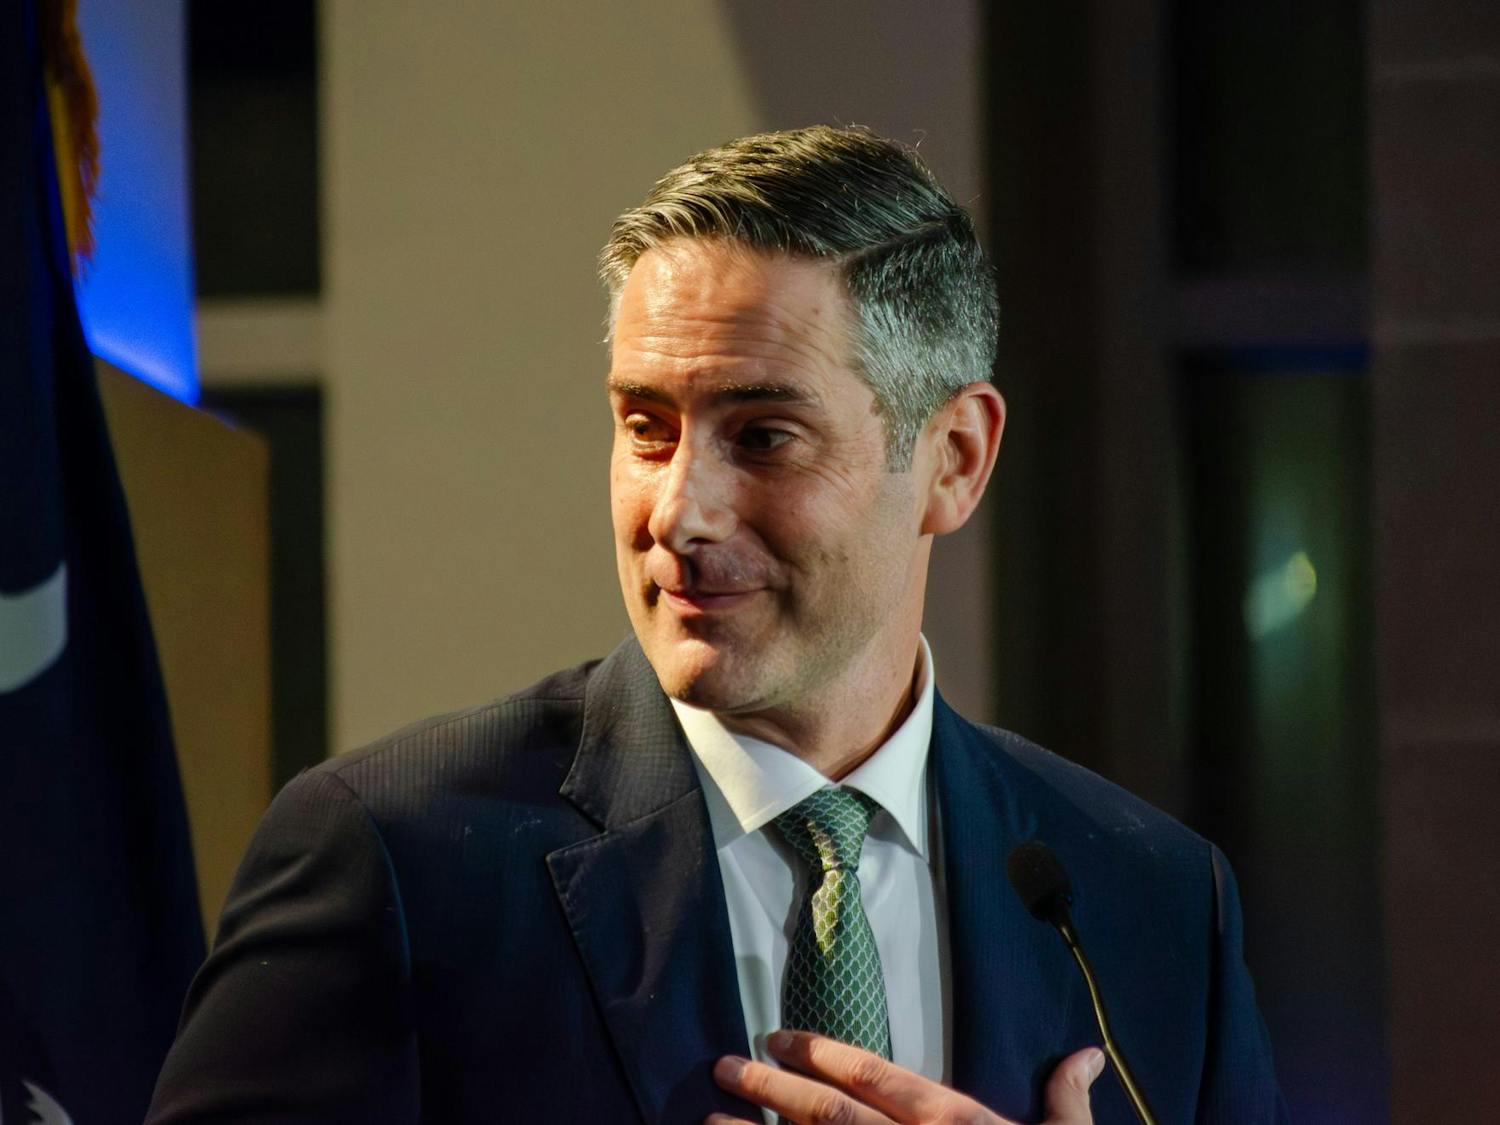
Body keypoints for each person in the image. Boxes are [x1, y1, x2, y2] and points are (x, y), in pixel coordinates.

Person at [147, 125, 1283, 1124]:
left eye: (764, 436)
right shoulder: (395, 859)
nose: (678, 512)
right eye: (646, 427)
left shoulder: (1157, 902)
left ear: (954, 459)